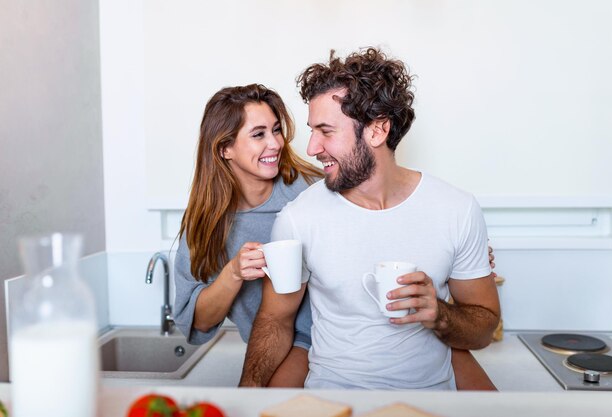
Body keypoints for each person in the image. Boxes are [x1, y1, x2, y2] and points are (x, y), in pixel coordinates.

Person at [239, 48, 501, 390]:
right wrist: (246, 396)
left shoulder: (456, 209)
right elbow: (274, 321)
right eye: (312, 131)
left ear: (377, 131)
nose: (312, 148)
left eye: (326, 131)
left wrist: (440, 313)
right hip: (332, 399)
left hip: (429, 401)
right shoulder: (299, 218)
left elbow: (482, 328)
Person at [173, 84, 322, 386]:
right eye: (258, 134)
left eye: (276, 130)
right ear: (225, 148)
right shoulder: (206, 221)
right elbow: (198, 322)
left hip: (321, 344)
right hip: (267, 347)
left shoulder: (312, 191)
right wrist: (233, 273)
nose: (275, 144)